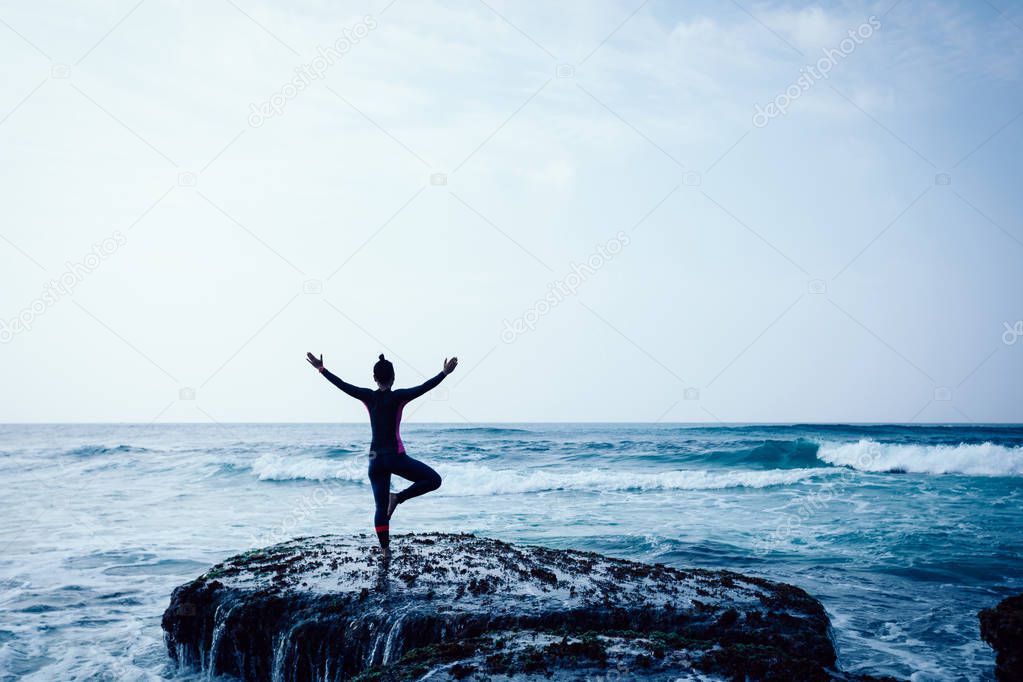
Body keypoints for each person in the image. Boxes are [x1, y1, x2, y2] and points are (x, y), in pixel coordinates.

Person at [306, 351, 457, 555]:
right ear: (394, 378)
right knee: (434, 480)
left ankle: (385, 551)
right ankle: (398, 498)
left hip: (375, 460)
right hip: (396, 457)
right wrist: (444, 373)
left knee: (379, 507)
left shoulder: (368, 396)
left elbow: (342, 385)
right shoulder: (399, 396)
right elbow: (424, 387)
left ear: (374, 378)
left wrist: (321, 369)